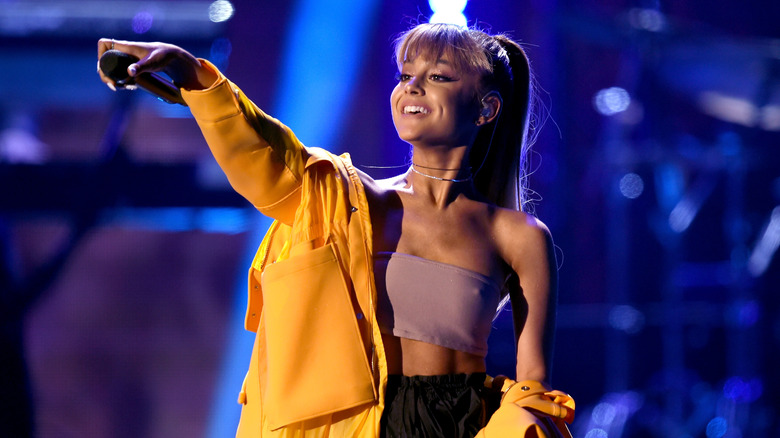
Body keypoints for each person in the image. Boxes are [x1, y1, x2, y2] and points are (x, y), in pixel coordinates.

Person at [97, 22, 574, 437]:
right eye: (407, 76)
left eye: (438, 78)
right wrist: (192, 74)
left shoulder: (519, 236)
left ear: (486, 109)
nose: (412, 89)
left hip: (465, 424)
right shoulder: (350, 201)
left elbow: (534, 384)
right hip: (356, 422)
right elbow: (269, 155)